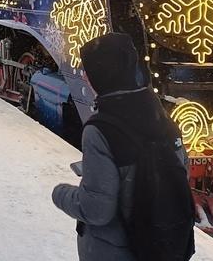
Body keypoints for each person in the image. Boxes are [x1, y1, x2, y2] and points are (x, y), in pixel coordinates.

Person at [51, 32, 194, 261]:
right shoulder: (163, 118)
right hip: (161, 246)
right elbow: (179, 172)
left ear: (99, 75)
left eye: (88, 72)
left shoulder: (99, 130)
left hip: (115, 251)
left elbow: (96, 209)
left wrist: (60, 194)